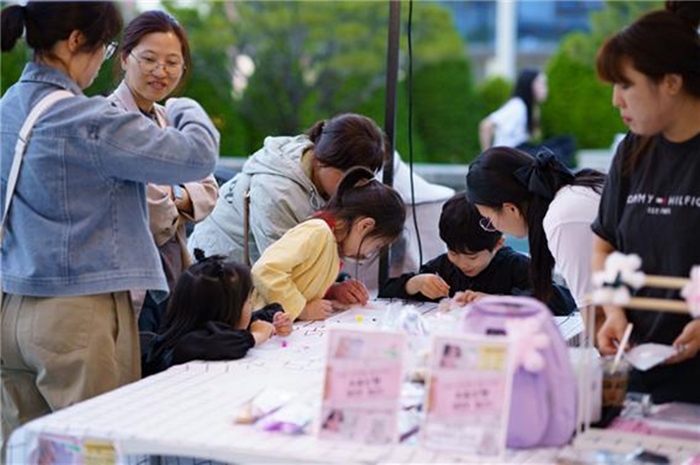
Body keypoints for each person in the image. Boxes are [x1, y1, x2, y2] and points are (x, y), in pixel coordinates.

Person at [0, 1, 218, 441]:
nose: (101, 63)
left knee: (23, 449)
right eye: (104, 48)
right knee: (97, 446)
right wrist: (187, 107)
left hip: (12, 305)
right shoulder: (88, 119)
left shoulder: (8, 107)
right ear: (77, 41)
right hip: (77, 316)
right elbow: (198, 154)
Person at [592, 1, 700, 404]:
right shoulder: (633, 151)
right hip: (639, 372)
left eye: (626, 85)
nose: (616, 101)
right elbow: (605, 243)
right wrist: (615, 309)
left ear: (671, 82)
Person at [108, 10, 218, 332]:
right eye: (149, 59)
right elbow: (151, 214)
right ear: (125, 58)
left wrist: (171, 193)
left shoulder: (169, 118)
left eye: (172, 62)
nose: (161, 71)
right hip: (128, 283)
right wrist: (183, 196)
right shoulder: (107, 119)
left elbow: (209, 189)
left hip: (172, 273)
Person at [188, 113, 386, 265]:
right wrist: (317, 298)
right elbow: (276, 270)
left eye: (362, 182)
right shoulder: (277, 192)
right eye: (349, 177)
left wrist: (334, 287)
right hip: (218, 277)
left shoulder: (315, 166)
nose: (353, 188)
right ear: (322, 161)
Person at [378, 194, 576, 315]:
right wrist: (416, 284)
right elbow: (385, 294)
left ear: (498, 244)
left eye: (472, 257)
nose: (462, 263)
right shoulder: (444, 267)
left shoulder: (515, 266)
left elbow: (564, 301)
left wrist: (497, 301)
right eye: (454, 253)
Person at [251, 167, 405, 321]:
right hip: (261, 319)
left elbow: (301, 280)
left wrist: (334, 290)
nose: (369, 253)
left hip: (278, 325)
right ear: (365, 225)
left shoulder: (332, 246)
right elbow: (266, 269)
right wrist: (301, 309)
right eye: (376, 245)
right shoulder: (318, 231)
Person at [466, 147, 605, 309]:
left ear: (511, 209)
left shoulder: (562, 220)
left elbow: (597, 314)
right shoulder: (575, 192)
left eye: (489, 220)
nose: (494, 227)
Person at [142, 250, 292, 376]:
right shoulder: (186, 344)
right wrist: (258, 335)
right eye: (248, 301)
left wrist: (277, 319)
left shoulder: (204, 325)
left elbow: (265, 313)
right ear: (226, 311)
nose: (252, 306)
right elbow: (227, 344)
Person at [479, 69, 576, 167]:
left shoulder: (529, 107)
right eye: (541, 84)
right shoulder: (517, 105)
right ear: (529, 86)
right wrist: (487, 158)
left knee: (566, 142)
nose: (545, 89)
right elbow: (486, 125)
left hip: (522, 149)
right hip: (510, 153)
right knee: (554, 154)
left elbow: (534, 136)